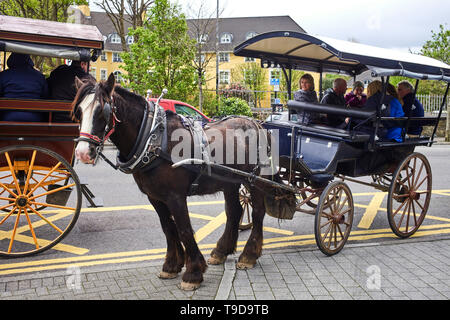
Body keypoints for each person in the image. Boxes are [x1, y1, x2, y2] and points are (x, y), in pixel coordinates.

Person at [0, 53, 48, 121]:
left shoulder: (3, 75)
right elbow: (45, 96)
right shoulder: (40, 76)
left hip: (8, 117)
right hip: (35, 118)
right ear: (29, 60)